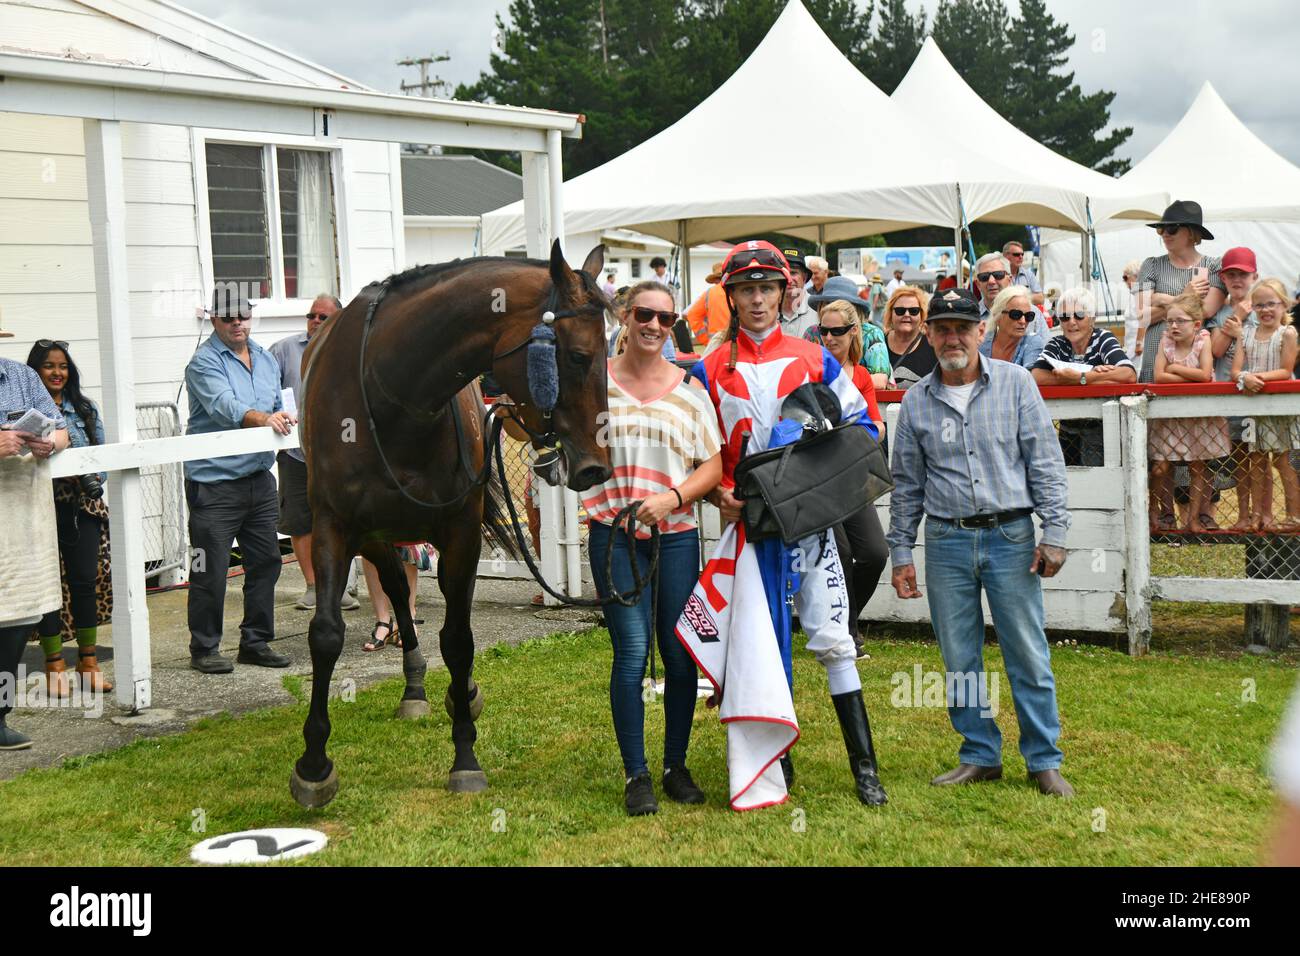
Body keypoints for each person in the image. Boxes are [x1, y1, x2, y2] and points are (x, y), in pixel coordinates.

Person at [692, 240, 887, 806]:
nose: (757, 301)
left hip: (810, 526)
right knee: (762, 643)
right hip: (749, 531)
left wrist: (822, 465)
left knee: (833, 639)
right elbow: (699, 458)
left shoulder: (814, 358)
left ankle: (865, 769)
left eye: (767, 289)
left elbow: (866, 425)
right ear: (730, 297)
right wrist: (717, 497)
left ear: (784, 293)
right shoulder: (707, 369)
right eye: (746, 290)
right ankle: (779, 756)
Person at [888, 287, 1074, 798]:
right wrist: (901, 551)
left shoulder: (1016, 385)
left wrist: (1054, 533)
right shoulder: (915, 401)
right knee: (959, 656)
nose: (953, 337)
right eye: (943, 328)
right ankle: (980, 754)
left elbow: (1046, 463)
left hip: (1012, 537)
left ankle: (1043, 759)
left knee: (1027, 652)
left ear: (981, 331)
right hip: (946, 540)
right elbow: (906, 485)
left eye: (962, 328)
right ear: (928, 334)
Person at [582, 280, 722, 815]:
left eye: (666, 319)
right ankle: (635, 773)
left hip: (677, 538)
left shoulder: (689, 389)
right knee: (632, 651)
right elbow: (558, 434)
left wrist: (674, 496)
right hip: (612, 534)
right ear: (624, 314)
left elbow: (712, 463)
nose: (655, 326)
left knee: (680, 653)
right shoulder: (594, 383)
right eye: (645, 314)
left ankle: (675, 765)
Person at [184, 293, 295, 673]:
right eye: (229, 318)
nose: (238, 324)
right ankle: (204, 649)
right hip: (214, 483)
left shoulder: (265, 359)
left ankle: (256, 642)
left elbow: (280, 403)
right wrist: (265, 419)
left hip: (259, 480)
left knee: (266, 561)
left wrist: (286, 416)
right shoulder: (203, 362)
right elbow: (224, 407)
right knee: (210, 570)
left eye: (244, 317)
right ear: (214, 320)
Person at [25, 341, 114, 695]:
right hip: (39, 506)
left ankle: (88, 664)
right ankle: (54, 668)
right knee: (48, 588)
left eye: (62, 366)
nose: (57, 372)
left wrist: (85, 475)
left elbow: (101, 464)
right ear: (35, 371)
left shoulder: (84, 409)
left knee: (83, 584)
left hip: (82, 508)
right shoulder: (21, 411)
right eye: (48, 366)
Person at [267, 294, 360, 613]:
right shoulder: (282, 350)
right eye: (311, 316)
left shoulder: (351, 351)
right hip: (295, 452)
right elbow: (267, 391)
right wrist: (277, 413)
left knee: (342, 519)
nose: (316, 322)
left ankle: (340, 587)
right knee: (300, 521)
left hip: (340, 454)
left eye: (323, 317)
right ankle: (312, 587)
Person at [0, 354, 69, 750]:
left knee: (16, 620)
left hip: (20, 523)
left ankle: (0, 717)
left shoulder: (23, 375)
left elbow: (62, 432)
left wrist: (49, 443)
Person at [814, 298, 889, 658]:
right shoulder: (810, 370)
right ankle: (849, 633)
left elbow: (878, 428)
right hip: (818, 477)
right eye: (823, 331)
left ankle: (847, 617)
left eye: (837, 331)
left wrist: (851, 433)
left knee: (875, 553)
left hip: (853, 474)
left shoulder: (859, 375)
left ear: (853, 332)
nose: (829, 338)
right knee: (840, 554)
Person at [1145, 290, 1229, 533]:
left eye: (1179, 321)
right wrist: (1180, 372)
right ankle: (1156, 511)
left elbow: (1205, 375)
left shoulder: (1203, 340)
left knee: (1197, 467)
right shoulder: (1165, 342)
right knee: (1160, 466)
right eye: (1170, 320)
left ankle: (1192, 519)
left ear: (1196, 324)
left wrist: (1174, 368)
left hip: (1198, 415)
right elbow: (1159, 377)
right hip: (1170, 416)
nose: (1173, 326)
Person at [1030, 288, 1136, 465]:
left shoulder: (1103, 338)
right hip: (1068, 428)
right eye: (1064, 317)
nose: (1071, 322)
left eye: (1079, 315)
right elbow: (1036, 376)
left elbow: (1128, 374)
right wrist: (1095, 375)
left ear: (1092, 319)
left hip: (1101, 428)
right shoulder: (1057, 343)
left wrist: (1080, 377)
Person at [1231, 278, 1300, 531]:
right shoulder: (1245, 333)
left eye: (1271, 304)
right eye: (1259, 305)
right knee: (1256, 460)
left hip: (1279, 408)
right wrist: (1243, 377)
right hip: (1252, 407)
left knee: (1284, 461)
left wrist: (1255, 378)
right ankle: (1261, 514)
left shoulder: (1287, 334)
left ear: (1284, 305)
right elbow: (1236, 370)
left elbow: (1285, 370)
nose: (1265, 310)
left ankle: (1294, 517)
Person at [1134, 200, 1227, 383]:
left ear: (1192, 233)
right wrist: (1184, 297)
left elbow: (1206, 311)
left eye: (1172, 229)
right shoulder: (1150, 264)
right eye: (1161, 229)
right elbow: (1142, 316)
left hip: (1196, 366)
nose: (1165, 234)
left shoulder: (1214, 266)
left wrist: (1160, 299)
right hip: (1156, 360)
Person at [1206, 248, 1262, 522]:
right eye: (1231, 275)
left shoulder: (1264, 308)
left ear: (1255, 276)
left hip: (1260, 394)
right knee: (1240, 459)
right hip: (1232, 396)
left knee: (1260, 459)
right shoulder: (1222, 312)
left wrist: (1241, 328)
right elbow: (1216, 349)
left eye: (1243, 274)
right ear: (1223, 279)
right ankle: (1243, 515)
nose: (1237, 279)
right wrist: (1237, 316)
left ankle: (1262, 515)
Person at [805, 276, 891, 389]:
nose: (834, 308)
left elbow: (880, 381)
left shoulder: (871, 334)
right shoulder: (813, 333)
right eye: (829, 303)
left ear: (854, 309)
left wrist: (831, 384)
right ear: (821, 307)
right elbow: (801, 375)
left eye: (841, 304)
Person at [973, 252, 1049, 338]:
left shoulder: (1032, 314)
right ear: (978, 284)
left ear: (1009, 280)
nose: (991, 281)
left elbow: (1046, 348)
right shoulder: (971, 317)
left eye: (998, 275)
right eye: (984, 277)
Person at [884, 284, 937, 391]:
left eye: (913, 311)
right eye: (900, 311)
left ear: (922, 314)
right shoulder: (878, 344)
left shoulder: (934, 345)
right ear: (891, 313)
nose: (906, 315)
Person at [980, 285, 1047, 369]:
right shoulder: (981, 341)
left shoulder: (1033, 342)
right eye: (1016, 315)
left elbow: (1029, 377)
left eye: (1028, 316)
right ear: (997, 316)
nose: (1023, 321)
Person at [685, 261, 732, 349]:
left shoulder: (709, 293)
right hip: (737, 341)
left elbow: (691, 315)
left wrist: (706, 340)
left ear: (714, 279)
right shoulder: (738, 291)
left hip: (716, 344)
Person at [779, 248, 818, 339]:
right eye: (784, 273)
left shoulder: (818, 309)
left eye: (793, 273)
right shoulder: (767, 310)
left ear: (804, 278)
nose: (789, 279)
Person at [1120, 259, 1144, 358]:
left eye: (1125, 278)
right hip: (1131, 344)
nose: (1124, 281)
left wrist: (1139, 343)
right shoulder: (1135, 294)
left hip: (1138, 346)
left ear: (1136, 277)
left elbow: (1144, 319)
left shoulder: (1141, 293)